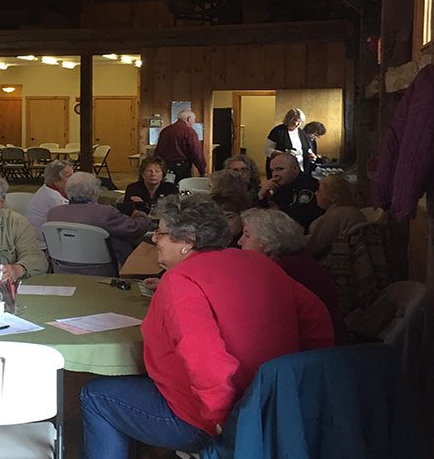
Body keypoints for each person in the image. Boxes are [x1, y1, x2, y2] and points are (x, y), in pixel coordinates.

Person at [79, 195, 334, 458]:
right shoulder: (258, 262)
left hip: (213, 420)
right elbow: (316, 317)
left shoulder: (181, 280)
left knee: (96, 396)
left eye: (161, 233)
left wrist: (223, 420)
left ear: (188, 242)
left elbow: (204, 355)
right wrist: (301, 378)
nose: (154, 239)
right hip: (272, 406)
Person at [239, 208, 341, 332]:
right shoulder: (301, 261)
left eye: (247, 235)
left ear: (268, 243)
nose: (240, 242)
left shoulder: (278, 272)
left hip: (313, 346)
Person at [48, 172, 151, 271]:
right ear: (95, 192)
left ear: (67, 191)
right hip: (101, 270)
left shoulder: (53, 214)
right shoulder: (105, 213)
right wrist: (140, 214)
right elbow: (135, 228)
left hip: (63, 268)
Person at [258, 153, 324, 231]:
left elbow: (301, 219)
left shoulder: (311, 186)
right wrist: (261, 196)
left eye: (280, 169)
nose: (274, 174)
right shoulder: (280, 185)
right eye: (272, 170)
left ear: (295, 169)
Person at [306, 175, 366, 259]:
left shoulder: (336, 215)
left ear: (333, 197)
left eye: (319, 190)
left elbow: (313, 246)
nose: (316, 193)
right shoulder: (352, 212)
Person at [25, 160, 73, 250]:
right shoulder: (54, 198)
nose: (73, 179)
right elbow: (67, 224)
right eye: (69, 176)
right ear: (55, 179)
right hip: (44, 245)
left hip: (44, 237)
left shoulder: (48, 189)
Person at [154, 110, 206, 183]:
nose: (194, 122)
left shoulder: (165, 130)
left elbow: (158, 150)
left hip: (164, 166)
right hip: (181, 168)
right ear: (188, 119)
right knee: (181, 189)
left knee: (166, 189)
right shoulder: (189, 132)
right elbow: (196, 152)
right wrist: (202, 170)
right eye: (193, 119)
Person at [264, 108, 310, 178]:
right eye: (295, 121)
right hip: (282, 169)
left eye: (300, 122)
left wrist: (311, 154)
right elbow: (267, 150)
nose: (298, 124)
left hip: (300, 168)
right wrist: (284, 154)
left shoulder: (302, 133)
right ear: (289, 119)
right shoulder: (278, 131)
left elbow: (307, 148)